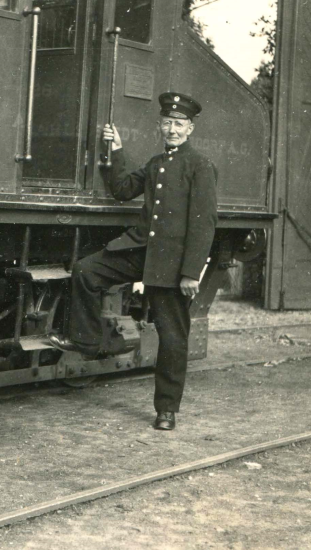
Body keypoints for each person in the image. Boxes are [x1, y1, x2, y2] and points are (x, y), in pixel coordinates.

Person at [50, 92, 217, 430]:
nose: (172, 129)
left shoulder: (199, 166)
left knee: (172, 338)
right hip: (141, 251)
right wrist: (115, 150)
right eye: (167, 123)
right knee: (86, 270)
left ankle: (166, 409)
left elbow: (204, 223)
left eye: (179, 124)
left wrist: (190, 272)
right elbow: (123, 189)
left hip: (172, 264)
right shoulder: (156, 163)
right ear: (160, 125)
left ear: (190, 128)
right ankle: (88, 342)